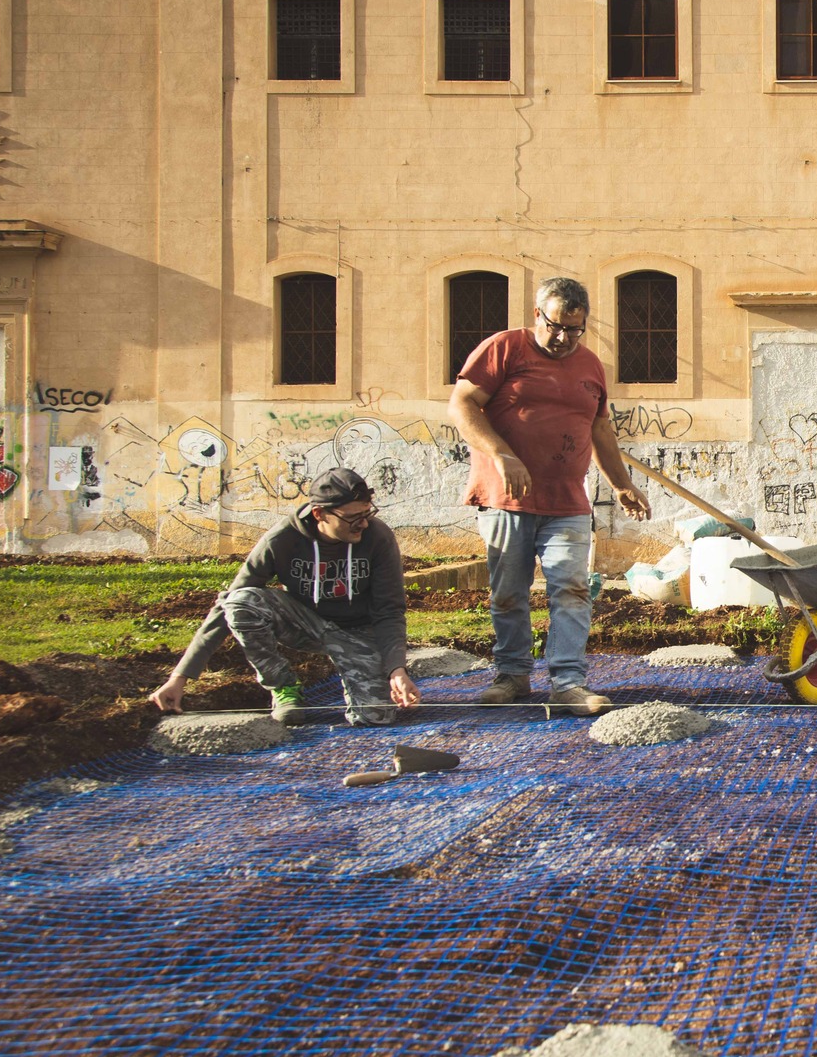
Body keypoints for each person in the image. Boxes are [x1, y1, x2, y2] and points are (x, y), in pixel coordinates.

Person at [449, 275, 650, 714]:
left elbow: (599, 428)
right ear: (537, 315)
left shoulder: (591, 366)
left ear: (585, 325)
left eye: (573, 329)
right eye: (554, 326)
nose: (562, 338)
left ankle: (567, 683)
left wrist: (621, 483)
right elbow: (462, 404)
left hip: (566, 503)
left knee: (572, 589)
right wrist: (502, 455)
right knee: (509, 592)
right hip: (506, 500)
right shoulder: (504, 348)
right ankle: (512, 675)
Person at [149, 468, 419, 726]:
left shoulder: (378, 537)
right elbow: (226, 606)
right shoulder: (281, 540)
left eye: (366, 513)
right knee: (242, 602)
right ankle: (284, 687)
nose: (362, 523)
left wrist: (396, 669)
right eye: (352, 517)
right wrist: (179, 677)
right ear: (319, 514)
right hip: (305, 625)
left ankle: (366, 682)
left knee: (375, 716)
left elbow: (389, 610)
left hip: (359, 632)